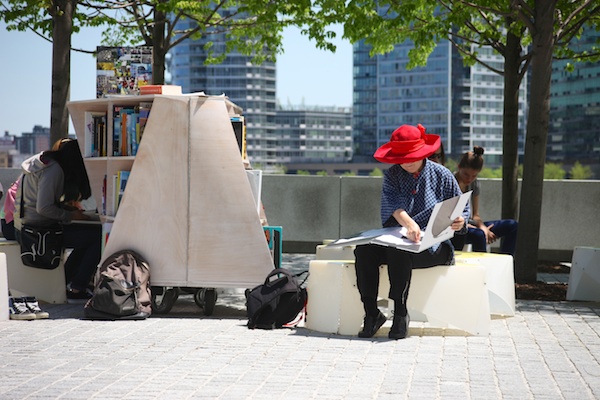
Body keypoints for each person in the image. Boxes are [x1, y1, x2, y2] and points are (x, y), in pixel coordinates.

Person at [354, 124, 468, 340]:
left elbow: (461, 210)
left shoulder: (442, 175)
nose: (407, 162)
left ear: (424, 153)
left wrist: (460, 221)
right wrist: (409, 225)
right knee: (364, 251)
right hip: (401, 237)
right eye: (402, 157)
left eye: (412, 156)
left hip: (435, 245)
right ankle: (371, 313)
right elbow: (394, 207)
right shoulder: (393, 175)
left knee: (399, 252)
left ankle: (400, 312)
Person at [14, 138, 102, 303]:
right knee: (97, 238)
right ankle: (77, 287)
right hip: (40, 230)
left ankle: (67, 281)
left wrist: (68, 210)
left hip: (30, 225)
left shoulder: (46, 162)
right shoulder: (55, 170)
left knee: (89, 237)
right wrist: (70, 216)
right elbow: (44, 208)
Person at [451, 146, 518, 256]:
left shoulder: (474, 183)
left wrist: (483, 228)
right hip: (455, 228)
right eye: (466, 174)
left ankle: (504, 263)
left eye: (474, 175)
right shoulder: (450, 182)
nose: (469, 179)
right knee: (479, 235)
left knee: (513, 226)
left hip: (471, 225)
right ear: (459, 167)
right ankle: (483, 268)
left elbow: (476, 215)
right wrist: (480, 230)